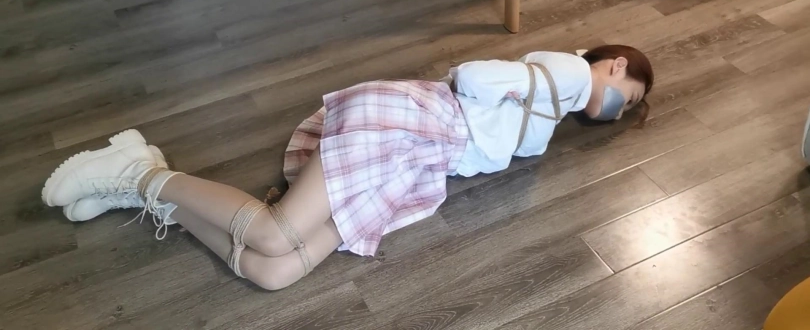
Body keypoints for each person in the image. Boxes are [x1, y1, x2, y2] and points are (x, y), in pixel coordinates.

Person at [41, 44, 654, 291]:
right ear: (617, 65)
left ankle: (154, 190)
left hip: (415, 164)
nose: (614, 111)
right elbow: (471, 77)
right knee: (273, 233)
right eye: (625, 99)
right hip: (409, 125)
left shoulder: (551, 108)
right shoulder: (566, 74)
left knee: (273, 273)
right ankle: (134, 172)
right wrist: (558, 85)